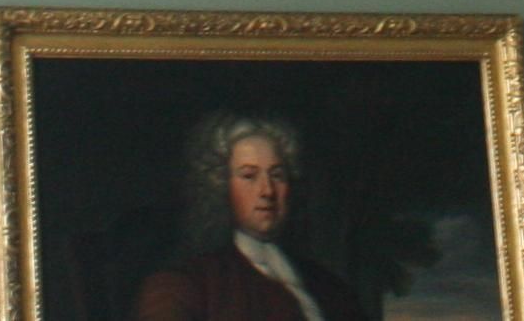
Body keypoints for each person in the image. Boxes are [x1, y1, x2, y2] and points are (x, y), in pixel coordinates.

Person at [133, 112, 368, 321]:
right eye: (249, 176)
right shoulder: (187, 284)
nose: (267, 191)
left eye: (277, 175)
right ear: (221, 185)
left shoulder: (330, 288)